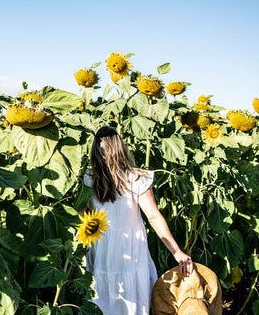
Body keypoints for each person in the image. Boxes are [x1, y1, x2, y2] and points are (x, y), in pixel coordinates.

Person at [83, 126, 193, 315]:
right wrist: (177, 252)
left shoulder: (88, 178)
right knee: (134, 300)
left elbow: (81, 215)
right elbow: (153, 216)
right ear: (121, 148)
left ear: (94, 152)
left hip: (101, 249)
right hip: (131, 249)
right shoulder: (136, 178)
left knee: (101, 298)